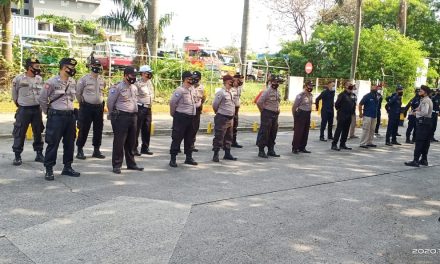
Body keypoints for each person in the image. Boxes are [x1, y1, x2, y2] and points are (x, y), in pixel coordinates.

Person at [39, 58, 80, 181]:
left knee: (69, 143)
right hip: (56, 116)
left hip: (70, 116)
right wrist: (49, 111)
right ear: (63, 67)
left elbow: (72, 98)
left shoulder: (72, 81)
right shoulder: (51, 82)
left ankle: (67, 167)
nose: (72, 69)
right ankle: (49, 169)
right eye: (70, 67)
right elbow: (42, 99)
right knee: (53, 143)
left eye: (73, 67)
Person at [107, 67, 144, 174]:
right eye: (132, 75)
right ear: (125, 75)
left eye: (135, 76)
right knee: (119, 141)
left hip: (133, 116)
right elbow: (110, 102)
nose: (134, 78)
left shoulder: (134, 87)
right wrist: (112, 115)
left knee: (131, 141)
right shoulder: (117, 87)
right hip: (121, 116)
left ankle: (131, 163)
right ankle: (117, 165)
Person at [11, 58, 45, 166]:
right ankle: (17, 156)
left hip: (36, 109)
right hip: (24, 110)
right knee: (20, 132)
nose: (38, 68)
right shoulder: (19, 79)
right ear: (29, 67)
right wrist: (21, 105)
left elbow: (42, 93)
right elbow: (14, 95)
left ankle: (39, 154)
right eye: (36, 66)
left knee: (38, 132)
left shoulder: (39, 79)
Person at [75, 59, 106, 160]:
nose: (97, 67)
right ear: (91, 66)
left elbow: (102, 92)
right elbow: (78, 93)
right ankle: (80, 149)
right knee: (84, 129)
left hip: (99, 108)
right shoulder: (84, 79)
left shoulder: (102, 79)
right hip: (86, 107)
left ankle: (96, 150)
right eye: (95, 65)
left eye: (98, 65)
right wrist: (82, 103)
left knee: (98, 129)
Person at [169, 71, 198, 167]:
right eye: (191, 78)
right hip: (181, 117)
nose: (193, 80)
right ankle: (173, 158)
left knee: (189, 138)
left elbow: (195, 101)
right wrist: (174, 114)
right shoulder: (180, 90)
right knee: (177, 138)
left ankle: (188, 158)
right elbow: (173, 103)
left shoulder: (192, 89)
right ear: (185, 79)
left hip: (191, 117)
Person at [405, 85, 433, 167]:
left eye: (421, 90)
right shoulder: (426, 100)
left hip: (423, 123)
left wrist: (415, 113)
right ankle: (424, 160)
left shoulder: (425, 101)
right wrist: (418, 109)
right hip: (428, 123)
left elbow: (425, 112)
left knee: (420, 141)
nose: (419, 91)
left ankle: (415, 160)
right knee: (425, 142)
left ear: (425, 92)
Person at [212, 74, 237, 162]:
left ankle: (227, 153)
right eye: (231, 81)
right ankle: (216, 154)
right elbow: (215, 105)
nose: (233, 82)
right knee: (219, 136)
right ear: (227, 81)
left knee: (229, 136)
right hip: (222, 117)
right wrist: (218, 113)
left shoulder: (232, 91)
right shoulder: (221, 92)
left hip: (230, 118)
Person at [256, 75, 282, 158]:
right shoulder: (267, 91)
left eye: (277, 82)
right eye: (275, 82)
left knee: (273, 132)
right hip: (267, 114)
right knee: (265, 132)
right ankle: (261, 150)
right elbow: (259, 102)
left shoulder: (277, 91)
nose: (276, 83)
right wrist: (263, 111)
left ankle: (271, 150)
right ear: (271, 82)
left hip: (275, 114)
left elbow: (278, 102)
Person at [134, 65, 154, 156]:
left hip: (148, 107)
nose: (150, 74)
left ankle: (145, 147)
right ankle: (134, 148)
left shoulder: (150, 82)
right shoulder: (137, 83)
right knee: (136, 129)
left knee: (147, 128)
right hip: (140, 108)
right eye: (148, 73)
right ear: (142, 74)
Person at [291, 81, 313, 154]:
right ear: (305, 86)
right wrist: (295, 117)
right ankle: (295, 148)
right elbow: (294, 107)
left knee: (305, 131)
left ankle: (302, 147)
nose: (310, 87)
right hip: (301, 114)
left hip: (307, 114)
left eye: (312, 86)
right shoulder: (300, 95)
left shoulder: (310, 95)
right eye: (309, 86)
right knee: (298, 132)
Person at [331, 83, 355, 151]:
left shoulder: (352, 95)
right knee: (339, 130)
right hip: (342, 114)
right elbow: (337, 105)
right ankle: (334, 144)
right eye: (348, 85)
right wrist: (341, 110)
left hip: (349, 115)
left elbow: (354, 104)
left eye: (351, 85)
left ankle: (342, 144)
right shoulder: (342, 95)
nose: (350, 86)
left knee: (346, 130)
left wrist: (352, 113)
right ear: (345, 86)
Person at [191, 71, 206, 152]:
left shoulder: (202, 88)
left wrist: (199, 104)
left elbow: (204, 98)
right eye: (193, 78)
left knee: (194, 128)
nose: (194, 80)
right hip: (188, 110)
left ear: (199, 79)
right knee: (185, 128)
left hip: (197, 111)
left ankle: (192, 145)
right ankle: (178, 146)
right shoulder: (189, 86)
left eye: (196, 78)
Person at [231, 73, 244, 148]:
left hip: (236, 109)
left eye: (241, 79)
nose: (240, 81)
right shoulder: (230, 88)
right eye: (238, 79)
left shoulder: (239, 88)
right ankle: (225, 143)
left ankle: (233, 141)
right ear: (234, 79)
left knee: (235, 126)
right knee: (228, 127)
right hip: (230, 109)